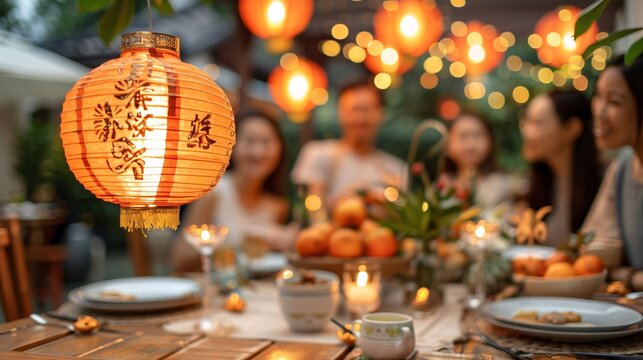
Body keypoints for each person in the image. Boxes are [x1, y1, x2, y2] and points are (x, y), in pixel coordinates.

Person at [170, 110, 295, 273]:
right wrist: (245, 238)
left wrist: (288, 243)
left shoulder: (277, 205)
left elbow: (263, 261)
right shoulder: (214, 193)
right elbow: (178, 260)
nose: (258, 152)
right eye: (249, 141)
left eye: (266, 142)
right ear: (232, 145)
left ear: (280, 149)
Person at [291, 78, 406, 213]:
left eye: (366, 110)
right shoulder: (318, 153)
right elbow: (311, 212)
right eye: (354, 110)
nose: (360, 119)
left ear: (381, 113)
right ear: (340, 113)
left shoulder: (396, 170)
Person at [583, 56, 643, 270]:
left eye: (615, 102)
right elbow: (588, 246)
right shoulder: (622, 167)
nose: (599, 112)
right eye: (598, 96)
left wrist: (626, 276)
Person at [520, 89, 600, 246]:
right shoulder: (542, 181)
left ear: (572, 129)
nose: (526, 132)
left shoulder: (603, 180)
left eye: (537, 123)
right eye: (526, 121)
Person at [440, 112, 512, 210]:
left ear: (490, 141)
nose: (471, 145)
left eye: (478, 135)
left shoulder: (500, 186)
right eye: (463, 136)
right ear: (447, 144)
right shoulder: (441, 187)